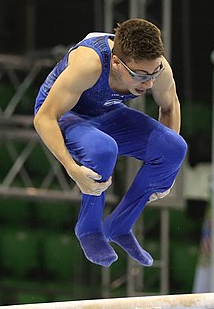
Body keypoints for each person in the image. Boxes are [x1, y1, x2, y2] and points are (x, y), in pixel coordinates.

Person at [33, 18, 188, 267]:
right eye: (139, 76)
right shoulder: (89, 64)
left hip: (108, 113)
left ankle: (119, 226)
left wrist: (164, 173)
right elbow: (44, 118)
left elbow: (170, 107)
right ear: (116, 62)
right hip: (66, 114)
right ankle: (89, 229)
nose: (148, 83)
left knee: (175, 148)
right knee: (104, 150)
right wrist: (72, 169)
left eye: (154, 73)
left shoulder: (157, 69)